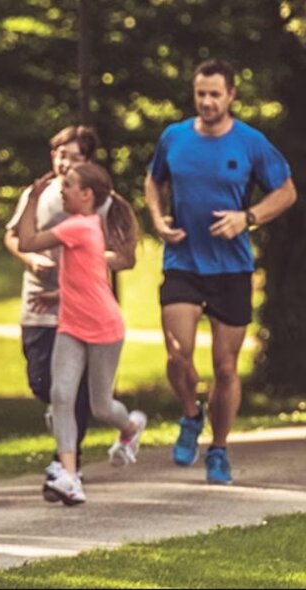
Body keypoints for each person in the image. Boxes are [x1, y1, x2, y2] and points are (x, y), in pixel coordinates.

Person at [145, 58, 296, 484]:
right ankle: (191, 416)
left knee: (225, 368)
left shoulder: (250, 142)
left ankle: (219, 449)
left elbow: (286, 191)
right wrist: (157, 219)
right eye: (201, 94)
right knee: (178, 353)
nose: (208, 101)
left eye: (215, 94)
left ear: (231, 95)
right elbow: (153, 181)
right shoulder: (173, 137)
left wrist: (246, 217)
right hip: (184, 262)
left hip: (231, 267)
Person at [16, 162, 146, 505]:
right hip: (71, 326)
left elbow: (27, 240)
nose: (62, 189)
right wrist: (58, 296)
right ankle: (70, 476)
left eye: (69, 185)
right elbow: (88, 279)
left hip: (104, 328)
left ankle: (130, 429)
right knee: (62, 396)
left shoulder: (79, 227)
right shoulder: (84, 229)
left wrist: (30, 199)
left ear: (86, 195)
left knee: (101, 406)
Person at [3, 126, 124, 490]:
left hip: (80, 309)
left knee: (71, 390)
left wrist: (92, 260)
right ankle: (65, 440)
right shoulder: (35, 194)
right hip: (39, 301)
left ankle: (67, 463)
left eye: (71, 156)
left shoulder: (97, 201)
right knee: (43, 382)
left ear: (86, 163)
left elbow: (120, 247)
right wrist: (29, 259)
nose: (62, 162)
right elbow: (14, 235)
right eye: (57, 154)